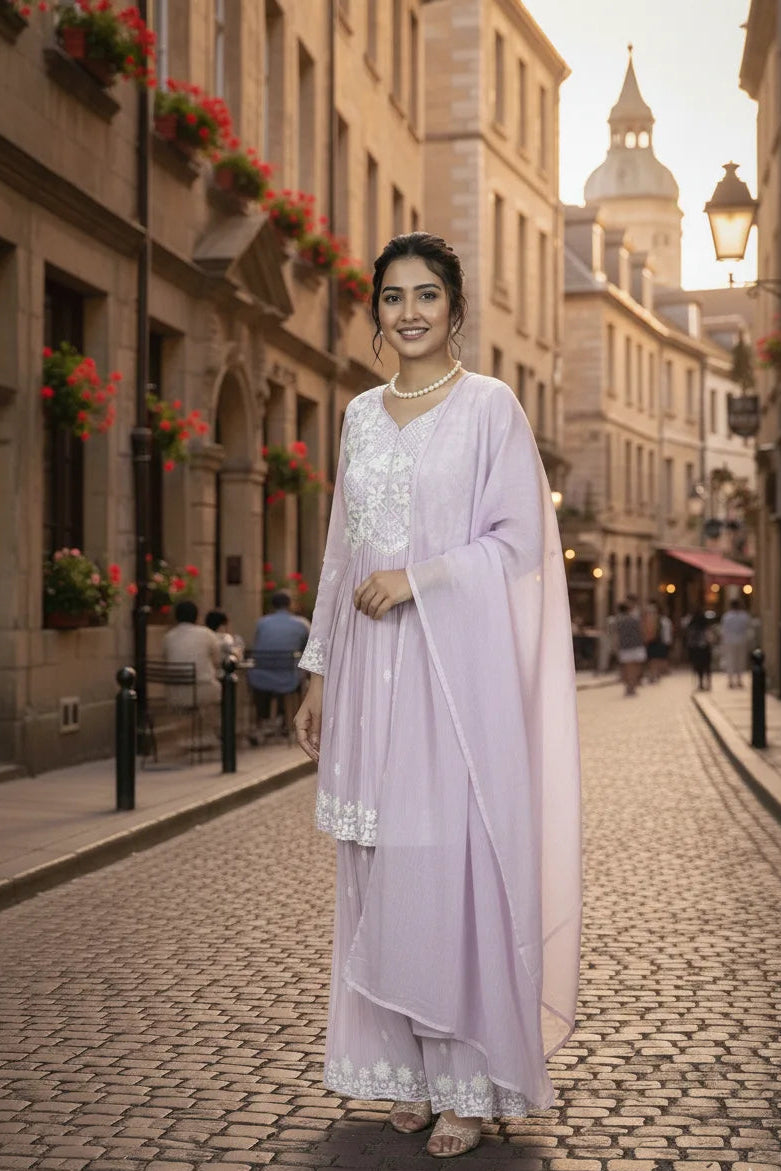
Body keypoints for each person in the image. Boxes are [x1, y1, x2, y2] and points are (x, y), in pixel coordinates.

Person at [293, 233, 581, 1159]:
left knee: (448, 872)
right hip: (371, 685)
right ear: (374, 311)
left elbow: (519, 542)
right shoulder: (359, 415)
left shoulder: (492, 408)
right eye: (390, 297)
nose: (408, 311)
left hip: (453, 683)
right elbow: (341, 553)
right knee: (381, 870)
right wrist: (317, 672)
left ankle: (465, 1078)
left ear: (456, 308)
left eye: (426, 295)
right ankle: (403, 1073)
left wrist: (421, 579)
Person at [248, 589, 310, 739]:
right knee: (301, 674)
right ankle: (289, 721)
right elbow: (309, 649)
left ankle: (263, 721)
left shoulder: (262, 623)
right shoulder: (301, 624)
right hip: (289, 676)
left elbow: (257, 645)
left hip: (260, 675)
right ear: (290, 605)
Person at [162, 599, 222, 711]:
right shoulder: (207, 633)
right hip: (202, 690)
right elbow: (217, 660)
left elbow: (166, 659)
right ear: (196, 616)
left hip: (174, 694)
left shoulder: (168, 637)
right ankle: (219, 725)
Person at [614, 602, 646, 696]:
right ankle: (632, 686)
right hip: (636, 646)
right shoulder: (635, 619)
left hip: (624, 647)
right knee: (635, 668)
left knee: (627, 668)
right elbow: (642, 631)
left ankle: (629, 686)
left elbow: (616, 635)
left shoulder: (618, 621)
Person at [720, 599, 751, 688]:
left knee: (731, 660)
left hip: (730, 641)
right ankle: (738, 680)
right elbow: (748, 628)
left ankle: (731, 680)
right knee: (740, 661)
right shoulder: (744, 616)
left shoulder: (727, 616)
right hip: (741, 640)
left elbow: (724, 630)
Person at [685, 609, 713, 691]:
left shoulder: (692, 627)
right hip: (705, 648)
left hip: (695, 649)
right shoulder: (706, 627)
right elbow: (710, 638)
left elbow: (689, 640)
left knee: (698, 666)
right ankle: (708, 682)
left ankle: (700, 683)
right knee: (707, 666)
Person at [643, 600, 665, 684]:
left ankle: (654, 675)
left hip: (655, 641)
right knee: (652, 660)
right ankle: (653, 675)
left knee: (654, 659)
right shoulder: (648, 621)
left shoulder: (658, 620)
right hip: (651, 642)